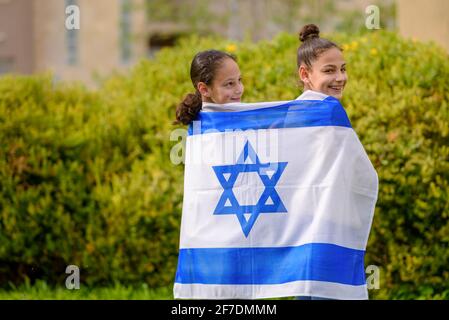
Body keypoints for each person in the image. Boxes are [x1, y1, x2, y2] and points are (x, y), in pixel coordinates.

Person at [294, 23, 348, 300]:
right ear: (305, 74)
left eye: (342, 68)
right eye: (329, 70)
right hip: (315, 231)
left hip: (324, 229)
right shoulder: (318, 113)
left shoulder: (313, 110)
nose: (340, 77)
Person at [174, 49, 244, 125]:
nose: (239, 90)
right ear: (204, 90)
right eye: (230, 83)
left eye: (239, 80)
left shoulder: (245, 119)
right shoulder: (202, 131)